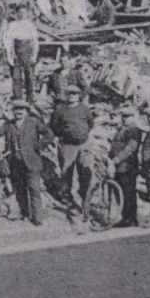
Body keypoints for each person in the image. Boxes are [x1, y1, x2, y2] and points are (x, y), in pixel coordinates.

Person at [0, 97, 50, 225]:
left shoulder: (33, 122)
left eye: (21, 109)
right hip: (15, 163)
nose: (19, 112)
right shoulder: (9, 124)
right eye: (16, 109)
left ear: (26, 111)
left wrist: (39, 145)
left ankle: (37, 218)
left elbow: (49, 134)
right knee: (20, 190)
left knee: (34, 188)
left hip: (32, 161)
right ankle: (25, 214)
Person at [49, 84, 95, 221]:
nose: (72, 96)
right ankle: (69, 202)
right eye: (69, 94)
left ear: (78, 95)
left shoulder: (84, 109)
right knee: (66, 173)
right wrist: (64, 135)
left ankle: (85, 202)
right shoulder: (60, 110)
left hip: (83, 144)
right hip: (67, 146)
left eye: (74, 94)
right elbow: (53, 126)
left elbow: (91, 123)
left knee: (85, 172)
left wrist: (82, 134)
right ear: (66, 95)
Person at [109, 102, 150, 228]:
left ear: (133, 117)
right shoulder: (122, 129)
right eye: (123, 116)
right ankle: (125, 216)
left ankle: (131, 218)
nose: (125, 119)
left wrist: (117, 158)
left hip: (127, 166)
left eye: (127, 117)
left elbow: (131, 148)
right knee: (120, 191)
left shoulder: (134, 130)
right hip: (119, 166)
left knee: (128, 192)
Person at [4, 5, 41, 105]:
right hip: (16, 49)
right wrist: (9, 55)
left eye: (24, 12)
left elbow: (35, 42)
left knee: (29, 75)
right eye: (20, 12)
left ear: (27, 13)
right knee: (16, 76)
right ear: (16, 13)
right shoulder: (12, 25)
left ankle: (30, 98)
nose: (22, 14)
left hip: (28, 51)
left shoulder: (31, 25)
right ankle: (18, 98)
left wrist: (34, 55)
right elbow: (8, 41)